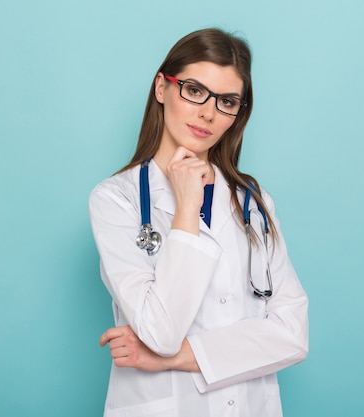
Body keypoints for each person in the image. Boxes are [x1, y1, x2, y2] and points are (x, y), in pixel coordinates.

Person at [89, 28, 308, 417]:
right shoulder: (115, 200)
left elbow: (292, 335)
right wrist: (188, 208)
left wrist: (172, 358)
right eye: (194, 90)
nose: (208, 112)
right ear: (162, 87)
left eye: (227, 101)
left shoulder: (254, 203)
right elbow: (160, 331)